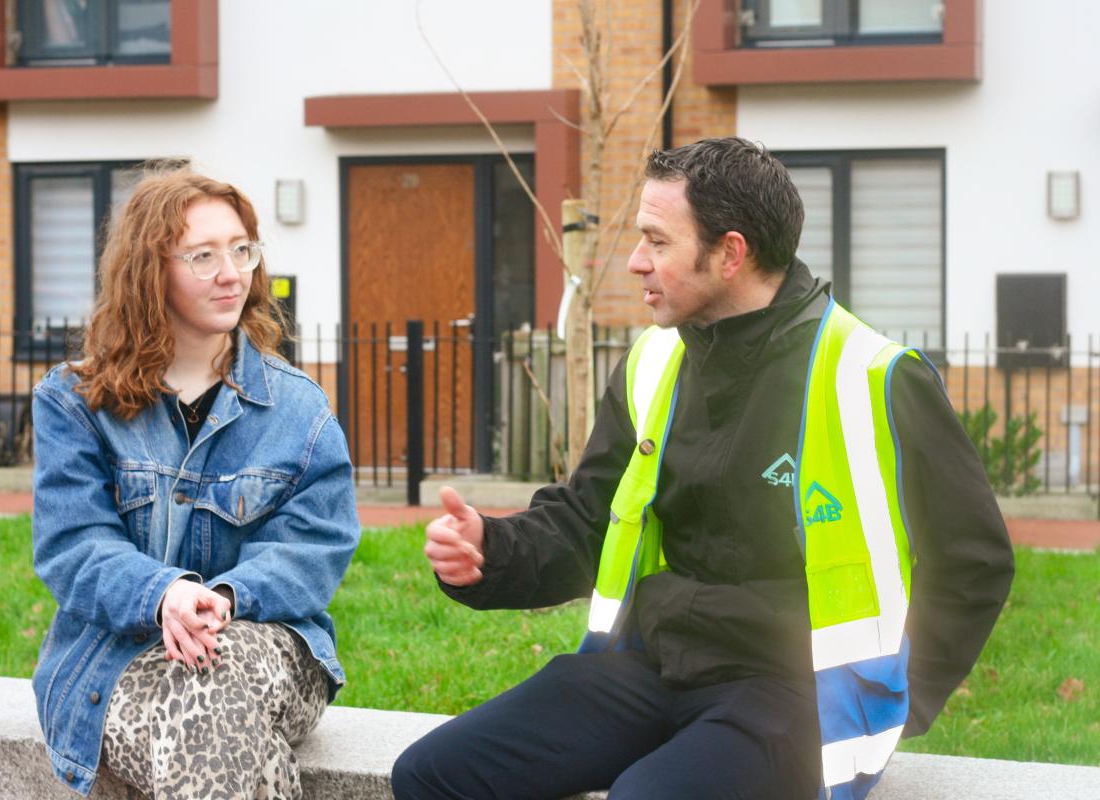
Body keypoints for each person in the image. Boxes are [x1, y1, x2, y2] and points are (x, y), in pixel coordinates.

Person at [392, 138, 1014, 800]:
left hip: (791, 697)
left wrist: (891, 706)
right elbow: (589, 523)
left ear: (730, 254)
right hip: (651, 669)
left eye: (657, 241)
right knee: (429, 776)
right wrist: (490, 549)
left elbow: (973, 560)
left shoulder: (872, 376)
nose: (635, 263)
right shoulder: (653, 364)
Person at [31, 169, 360, 798]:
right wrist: (165, 595)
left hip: (266, 651)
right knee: (203, 714)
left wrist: (225, 601)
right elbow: (73, 546)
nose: (231, 272)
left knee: (213, 672)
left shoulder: (299, 411)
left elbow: (315, 549)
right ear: (150, 271)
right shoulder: (74, 403)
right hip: (118, 662)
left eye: (242, 250)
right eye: (202, 256)